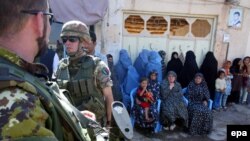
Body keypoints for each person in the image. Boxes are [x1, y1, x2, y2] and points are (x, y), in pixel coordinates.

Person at [0, 0, 95, 140]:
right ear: (39, 21)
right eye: (49, 19)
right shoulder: (20, 104)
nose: (67, 43)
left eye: (72, 39)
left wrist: (73, 118)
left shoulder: (21, 73)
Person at [56, 21, 114, 134]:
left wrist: (108, 124)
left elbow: (108, 97)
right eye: (64, 40)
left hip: (93, 129)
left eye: (72, 39)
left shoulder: (97, 66)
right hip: (68, 128)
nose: (67, 43)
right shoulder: (61, 66)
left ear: (82, 41)